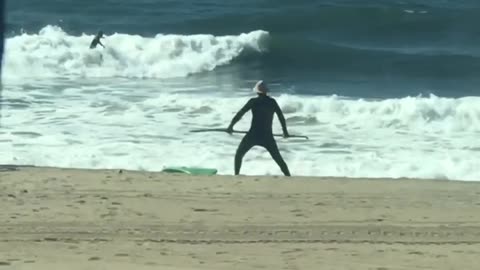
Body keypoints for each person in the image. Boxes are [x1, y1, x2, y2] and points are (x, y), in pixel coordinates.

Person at [227, 80, 291, 176]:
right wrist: (285, 132)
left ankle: (236, 175)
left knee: (239, 155)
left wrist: (231, 126)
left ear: (257, 91)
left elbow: (240, 113)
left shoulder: (253, 101)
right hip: (267, 135)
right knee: (278, 159)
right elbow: (281, 117)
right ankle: (288, 176)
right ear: (266, 91)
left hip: (253, 134)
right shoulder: (272, 102)